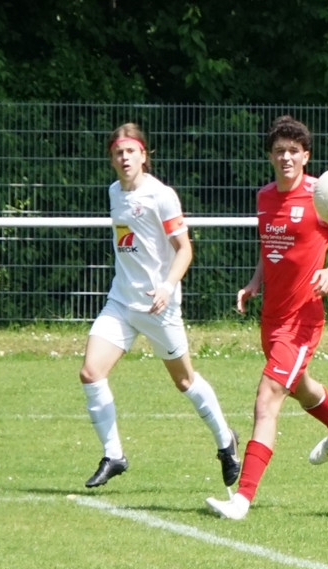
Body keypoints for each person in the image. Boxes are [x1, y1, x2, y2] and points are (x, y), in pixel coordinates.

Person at [205, 115, 328, 520]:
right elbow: (269, 247)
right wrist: (254, 282)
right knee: (299, 386)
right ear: (270, 156)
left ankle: (242, 499)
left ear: (306, 156)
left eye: (294, 151)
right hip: (271, 318)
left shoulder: (322, 197)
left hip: (302, 320)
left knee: (267, 398)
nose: (287, 157)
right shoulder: (264, 197)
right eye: (279, 151)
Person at [80, 123, 240, 490]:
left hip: (158, 307)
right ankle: (114, 455)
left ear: (143, 155)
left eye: (130, 151)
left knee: (184, 380)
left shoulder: (161, 196)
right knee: (91, 372)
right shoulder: (113, 192)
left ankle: (225, 440)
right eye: (118, 153)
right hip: (121, 302)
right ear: (112, 159)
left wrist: (167, 288)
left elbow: (184, 249)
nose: (124, 158)